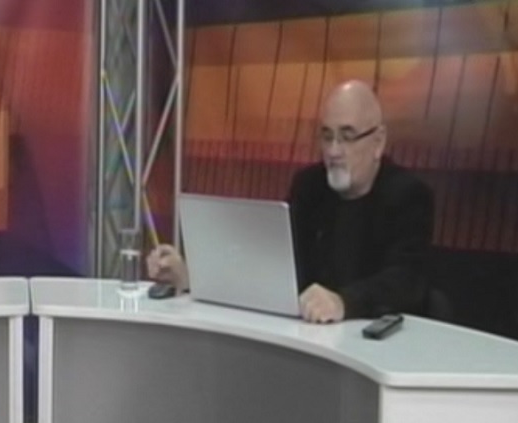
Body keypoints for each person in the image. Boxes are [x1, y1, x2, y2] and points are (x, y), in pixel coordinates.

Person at [149, 80, 434, 323]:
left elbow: (406, 282)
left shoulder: (408, 195)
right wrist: (194, 278)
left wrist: (343, 302)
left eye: (347, 137)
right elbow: (272, 266)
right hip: (306, 336)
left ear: (378, 142)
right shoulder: (309, 186)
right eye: (326, 137)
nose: (334, 151)